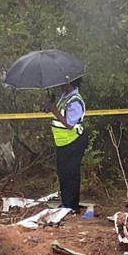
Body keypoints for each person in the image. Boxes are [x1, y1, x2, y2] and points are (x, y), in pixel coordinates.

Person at [47, 77, 87, 212]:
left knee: (71, 173)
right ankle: (66, 203)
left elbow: (69, 124)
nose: (60, 85)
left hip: (74, 141)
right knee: (63, 173)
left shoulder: (75, 101)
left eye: (62, 82)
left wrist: (54, 110)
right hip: (63, 142)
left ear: (69, 83)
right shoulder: (64, 97)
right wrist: (50, 106)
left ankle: (72, 206)